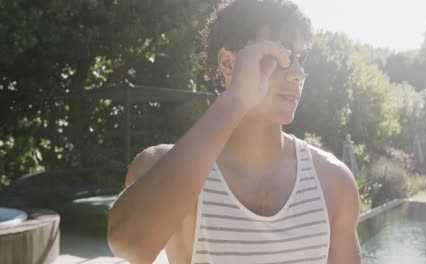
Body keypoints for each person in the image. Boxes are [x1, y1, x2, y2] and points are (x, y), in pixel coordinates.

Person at [107, 0, 362, 263]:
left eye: (300, 58)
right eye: (281, 54)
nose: (299, 73)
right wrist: (237, 99)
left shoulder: (332, 182)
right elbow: (129, 244)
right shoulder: (164, 168)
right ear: (228, 63)